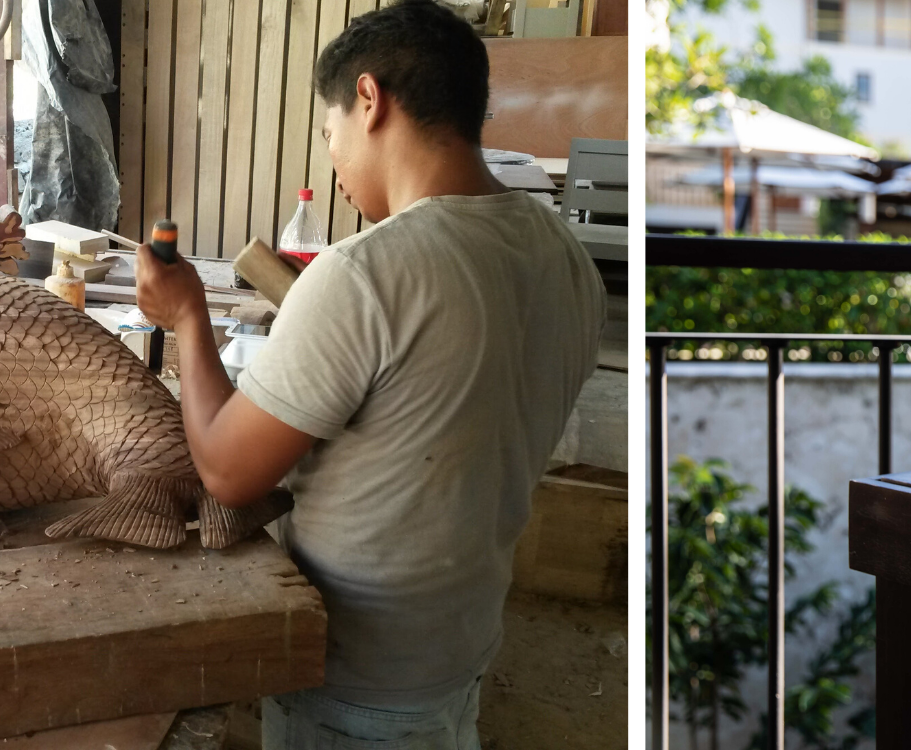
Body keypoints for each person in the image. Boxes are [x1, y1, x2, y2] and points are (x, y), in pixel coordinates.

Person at [128, 0, 603, 745]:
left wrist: (187, 318)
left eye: (328, 131)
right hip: (461, 641)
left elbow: (225, 469)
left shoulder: (367, 273)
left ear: (369, 101)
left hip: (358, 673)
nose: (332, 160)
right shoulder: (561, 252)